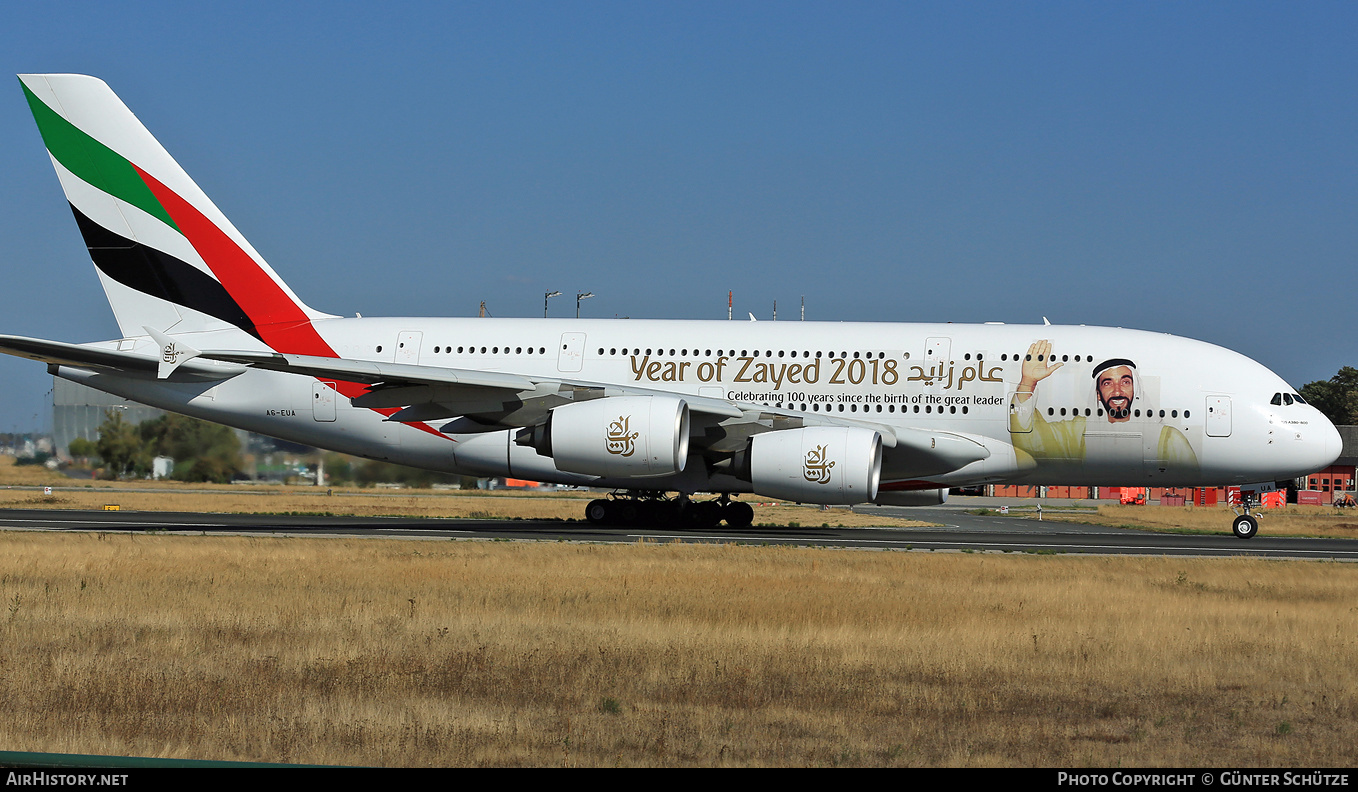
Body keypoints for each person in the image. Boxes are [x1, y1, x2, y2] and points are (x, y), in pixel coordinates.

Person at [1009, 339, 1197, 468]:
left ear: (1135, 390)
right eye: (1108, 383)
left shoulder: (1168, 439)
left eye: (1125, 382)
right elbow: (1032, 441)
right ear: (1098, 394)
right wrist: (1028, 382)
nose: (1117, 391)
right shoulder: (1077, 431)